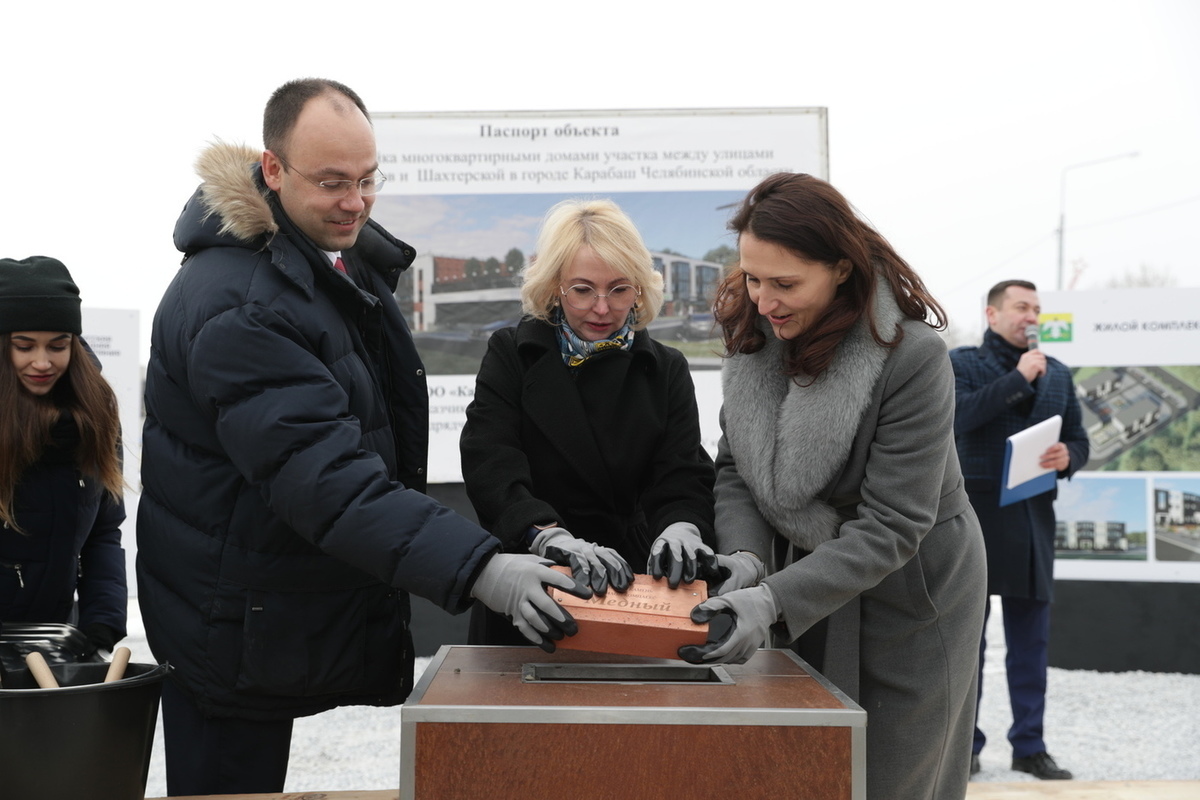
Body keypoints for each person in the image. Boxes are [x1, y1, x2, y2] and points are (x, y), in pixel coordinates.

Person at [137, 78, 586, 796]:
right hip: (229, 615)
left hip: (265, 592)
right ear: (273, 170)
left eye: (368, 179)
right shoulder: (240, 305)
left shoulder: (329, 263)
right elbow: (326, 477)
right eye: (332, 182)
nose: (356, 201)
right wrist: (480, 569)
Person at [680, 172, 988, 799]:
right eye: (752, 278)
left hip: (909, 586)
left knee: (894, 775)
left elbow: (895, 524)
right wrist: (744, 558)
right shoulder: (751, 334)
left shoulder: (912, 355)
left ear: (842, 268)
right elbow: (738, 466)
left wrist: (771, 601)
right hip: (801, 577)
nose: (764, 300)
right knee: (799, 768)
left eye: (786, 283)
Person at [459, 198, 716, 644]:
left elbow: (681, 470)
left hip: (634, 586)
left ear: (640, 288)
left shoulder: (667, 366)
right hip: (535, 579)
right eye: (583, 290)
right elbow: (490, 458)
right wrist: (542, 533)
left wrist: (681, 524)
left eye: (619, 289)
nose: (602, 308)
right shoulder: (511, 352)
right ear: (554, 286)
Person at [949, 279, 1088, 781]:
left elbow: (1078, 437)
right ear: (992, 314)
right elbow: (959, 418)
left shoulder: (1060, 374)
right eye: (1021, 306)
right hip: (976, 518)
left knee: (1032, 643)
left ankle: (1030, 746)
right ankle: (965, 745)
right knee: (969, 642)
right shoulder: (961, 363)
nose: (1031, 315)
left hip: (1033, 518)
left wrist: (1069, 456)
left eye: (1037, 308)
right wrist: (1018, 379)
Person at [0, 256, 127, 657]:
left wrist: (101, 625)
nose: (42, 362)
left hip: (56, 640)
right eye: (24, 346)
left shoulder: (96, 413)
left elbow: (104, 531)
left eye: (58, 345)